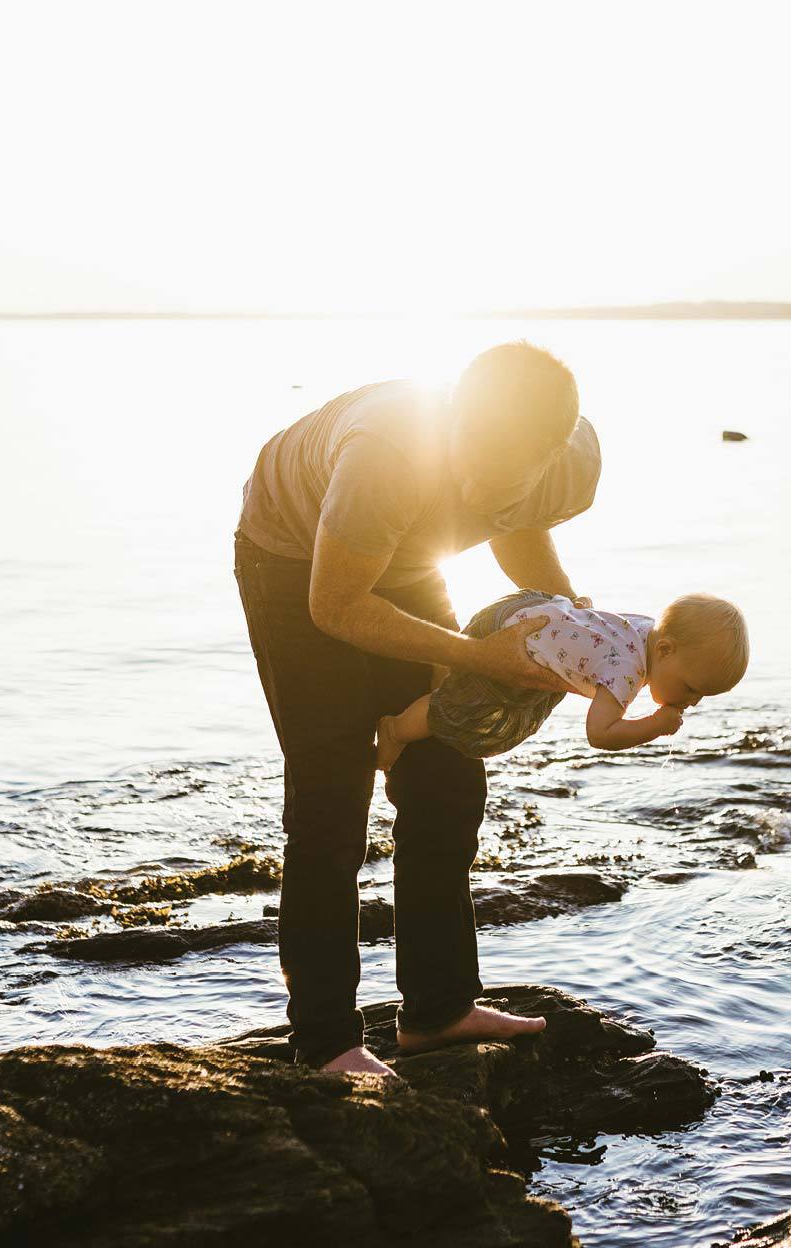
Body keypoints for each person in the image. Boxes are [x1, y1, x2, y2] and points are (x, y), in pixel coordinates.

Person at [235, 341, 600, 1076]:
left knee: (447, 778)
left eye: (499, 470)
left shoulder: (571, 465)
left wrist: (569, 617)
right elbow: (335, 605)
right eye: (468, 453)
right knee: (332, 797)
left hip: (400, 561)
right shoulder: (391, 452)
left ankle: (436, 1011)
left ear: (551, 455)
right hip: (295, 559)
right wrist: (480, 657)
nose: (471, 479)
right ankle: (324, 1041)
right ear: (455, 413)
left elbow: (516, 522)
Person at [376, 592, 749, 770]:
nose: (693, 701)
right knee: (452, 709)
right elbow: (599, 734)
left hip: (523, 607)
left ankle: (437, 674)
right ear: (665, 650)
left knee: (457, 683)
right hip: (513, 646)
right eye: (692, 688)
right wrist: (654, 725)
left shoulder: (643, 629)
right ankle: (395, 731)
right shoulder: (628, 671)